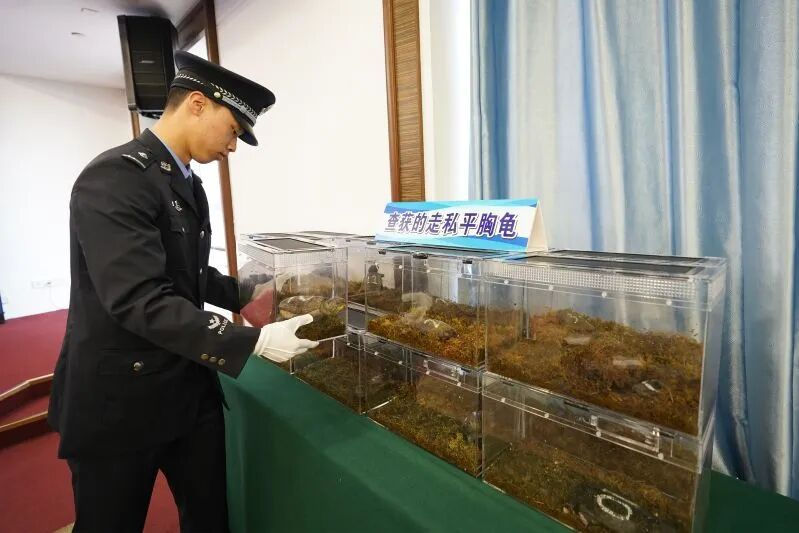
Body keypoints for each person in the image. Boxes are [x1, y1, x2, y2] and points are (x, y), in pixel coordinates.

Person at [48, 51, 315, 532]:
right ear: (197, 104)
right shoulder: (115, 178)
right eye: (233, 130)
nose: (233, 147)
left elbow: (185, 273)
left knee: (209, 515)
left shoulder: (187, 183)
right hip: (119, 399)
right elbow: (139, 299)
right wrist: (252, 342)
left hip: (186, 388)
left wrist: (249, 294)